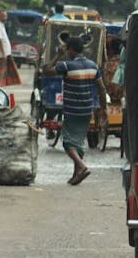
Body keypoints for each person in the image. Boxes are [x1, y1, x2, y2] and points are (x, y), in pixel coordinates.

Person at [41, 36, 108, 186]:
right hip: (86, 110)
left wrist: (58, 55)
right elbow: (102, 88)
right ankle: (76, 174)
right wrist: (103, 108)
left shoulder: (67, 65)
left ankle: (81, 165)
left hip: (72, 110)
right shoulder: (93, 65)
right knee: (78, 141)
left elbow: (45, 70)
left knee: (68, 142)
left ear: (70, 49)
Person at [0, 9, 21, 86]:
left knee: (3, 75)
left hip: (4, 54)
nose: (5, 18)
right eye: (3, 16)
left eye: (6, 16)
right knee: (0, 75)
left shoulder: (1, 25)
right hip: (1, 55)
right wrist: (4, 53)